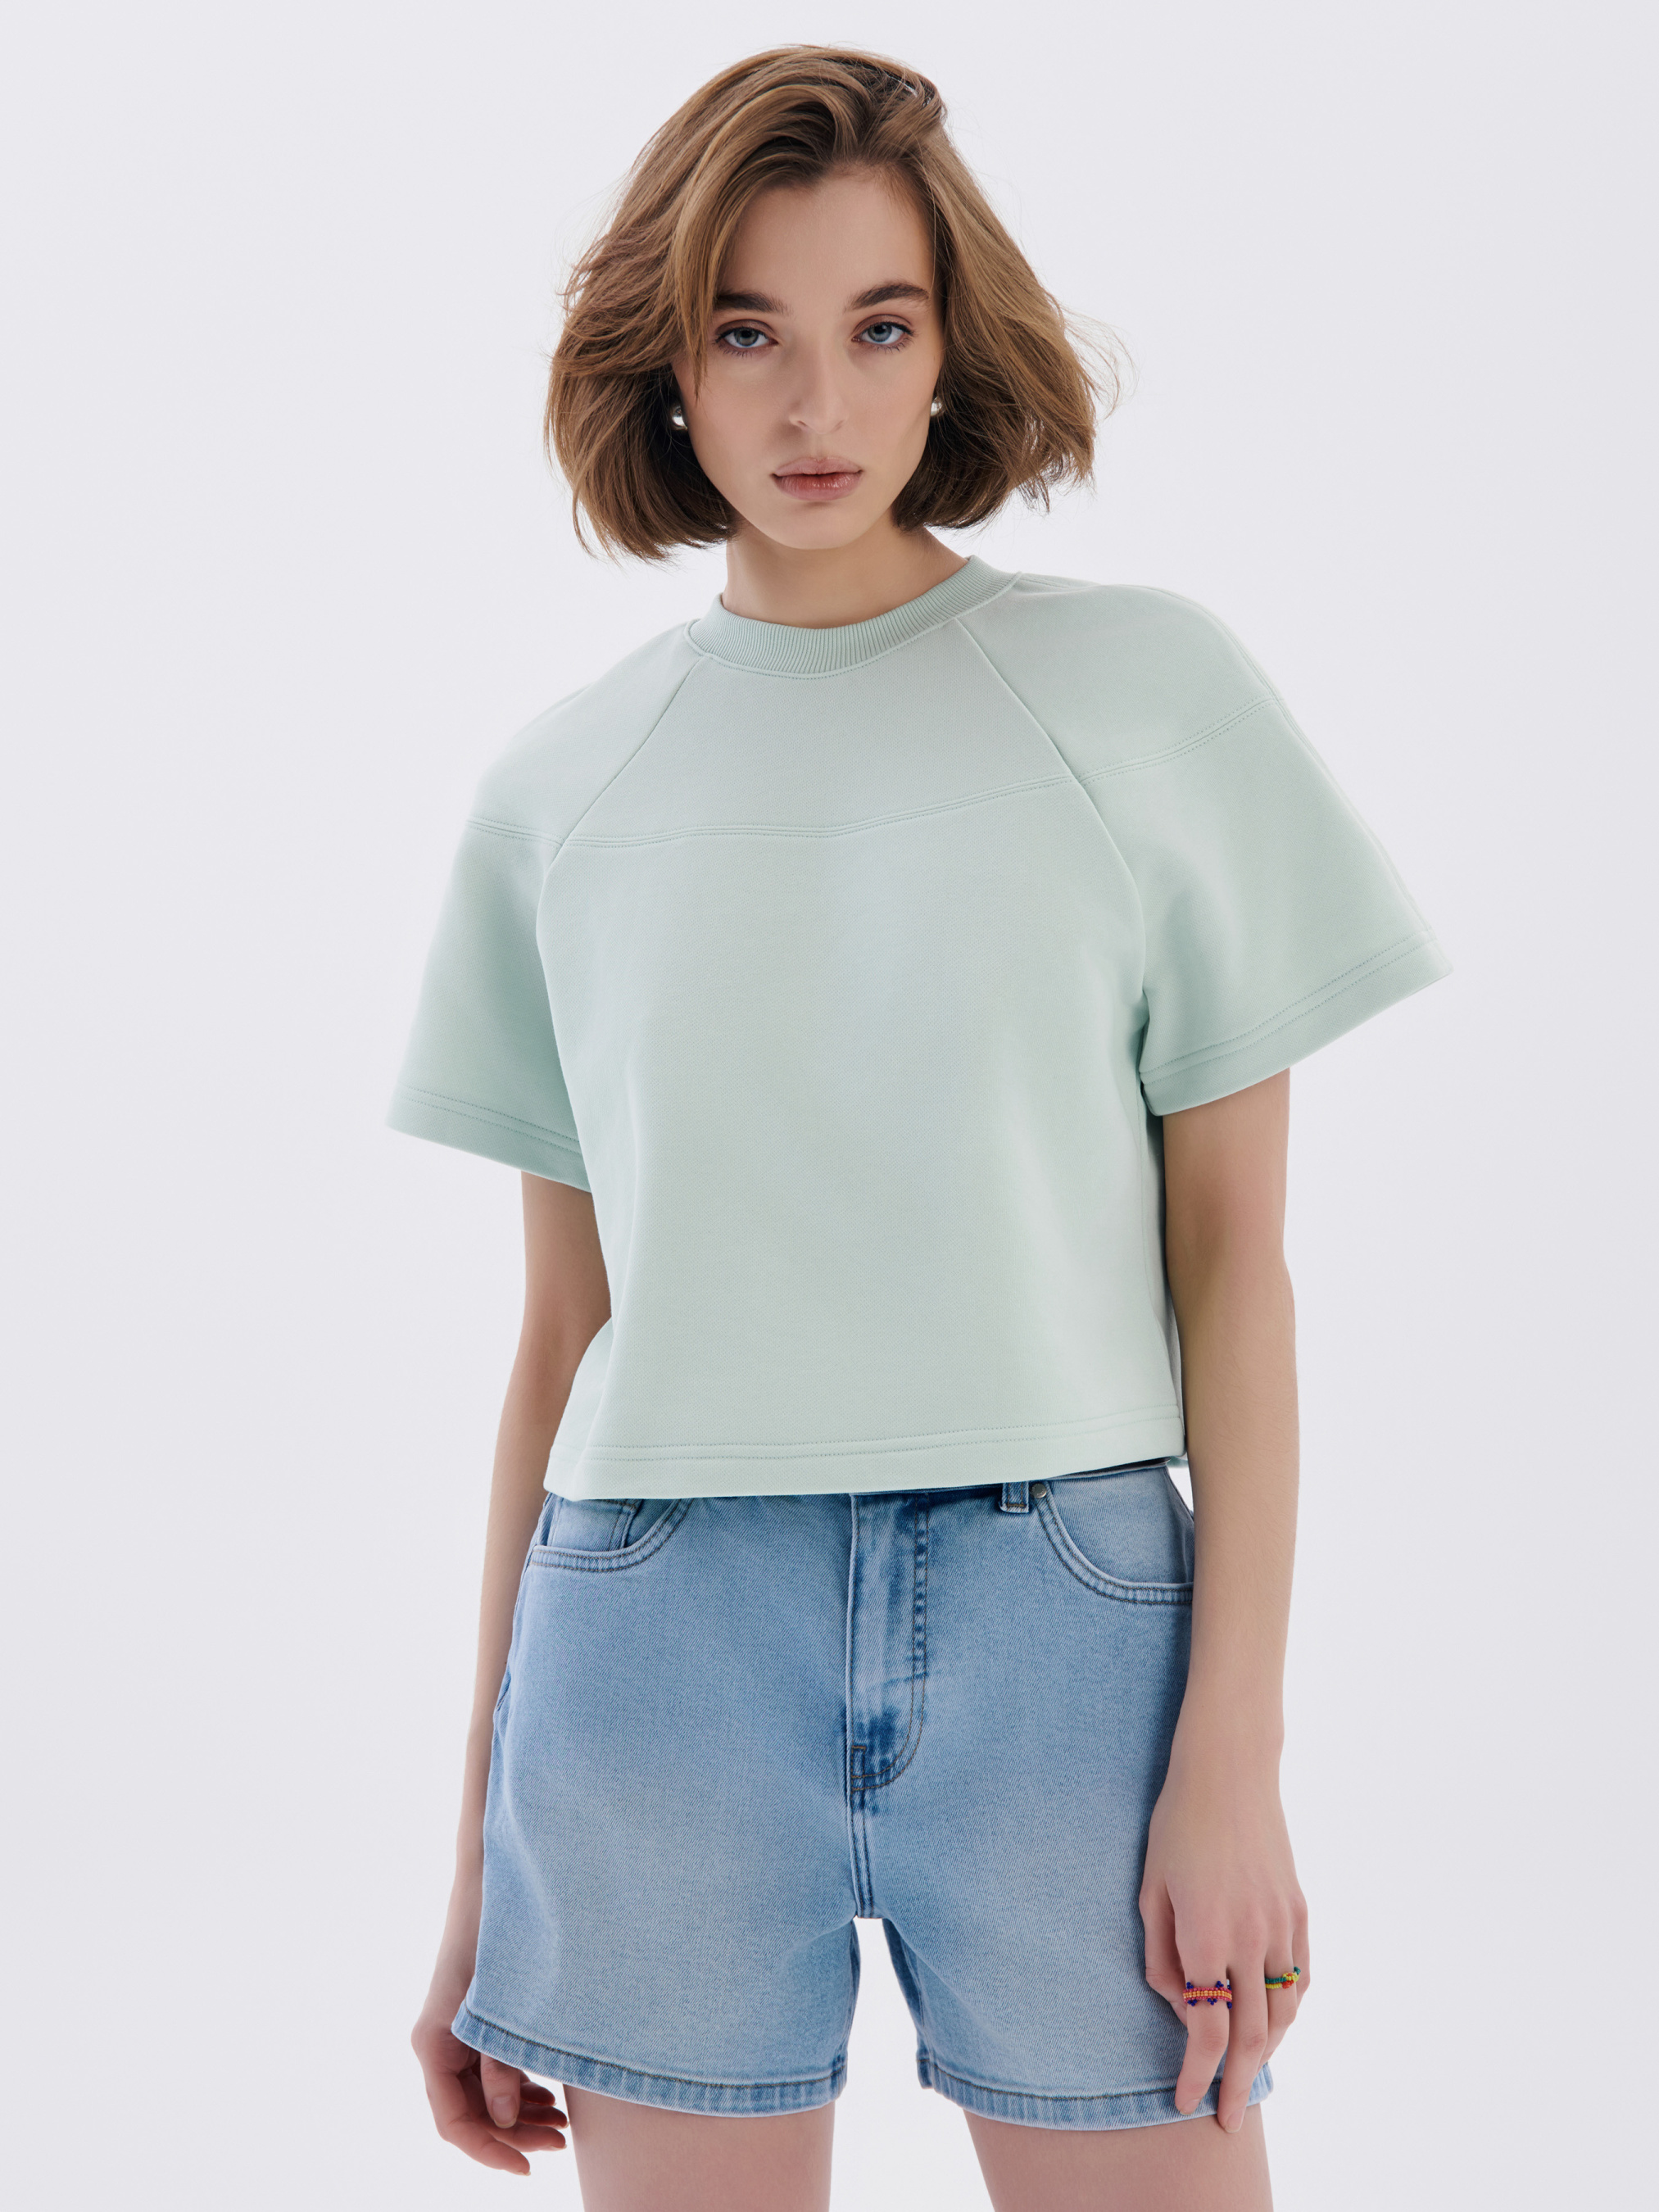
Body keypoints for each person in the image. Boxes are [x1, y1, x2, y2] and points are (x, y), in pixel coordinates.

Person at [393, 47, 1448, 2212]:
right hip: (659, 1631)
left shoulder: (1141, 700)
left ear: (952, 343)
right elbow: (560, 1339)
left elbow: (1232, 1266)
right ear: (664, 369)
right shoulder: (560, 792)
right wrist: (481, 1865)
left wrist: (1233, 1756)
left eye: (877, 326)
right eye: (746, 334)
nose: (818, 404)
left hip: (1070, 1616)